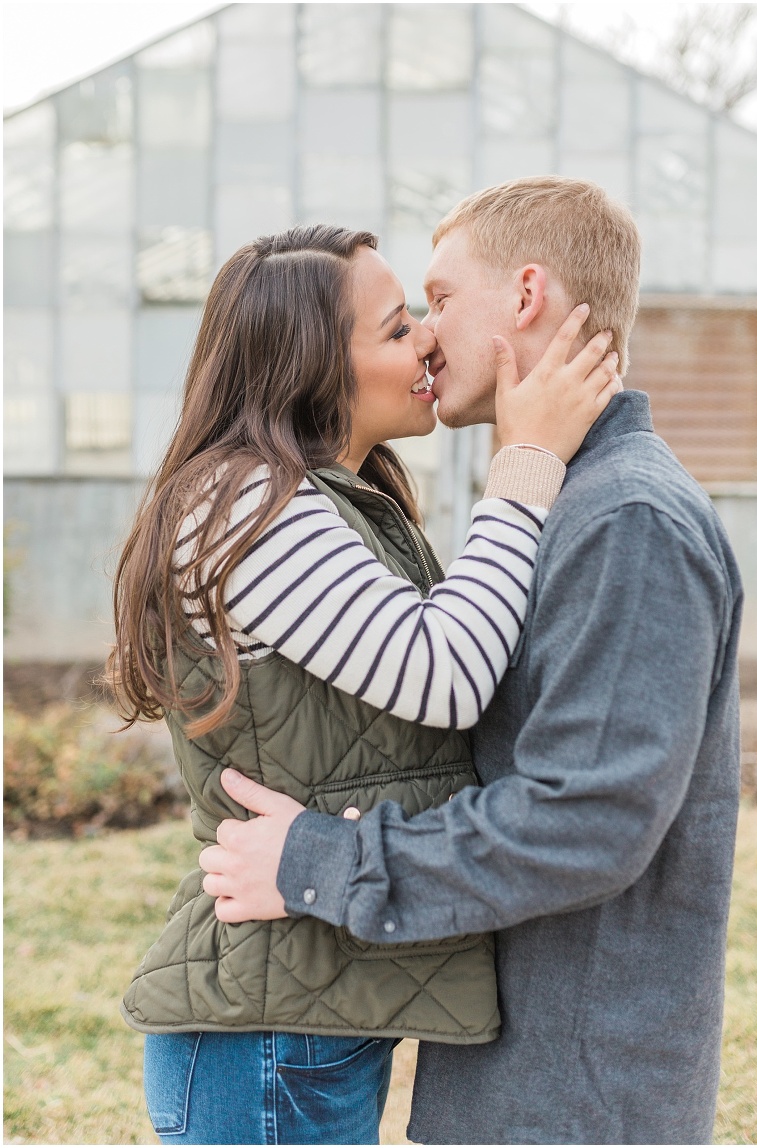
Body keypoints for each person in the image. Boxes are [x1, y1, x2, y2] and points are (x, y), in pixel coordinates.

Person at [201, 177, 743, 1146]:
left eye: (439, 301)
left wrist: (327, 857)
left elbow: (586, 816)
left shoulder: (626, 521)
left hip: (577, 1095)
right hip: (527, 1073)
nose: (427, 336)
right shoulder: (564, 506)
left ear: (526, 296)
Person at [109, 221, 619, 1145]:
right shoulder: (242, 507)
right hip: (268, 1033)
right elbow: (449, 673)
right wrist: (527, 460)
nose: (428, 336)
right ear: (308, 367)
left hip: (308, 1012)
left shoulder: (331, 498)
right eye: (395, 328)